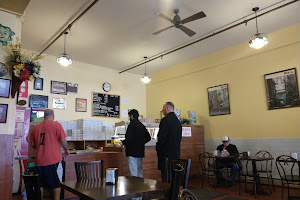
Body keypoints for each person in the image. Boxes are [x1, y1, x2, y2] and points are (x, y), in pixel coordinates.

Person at [29, 109, 69, 200]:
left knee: (40, 184)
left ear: (44, 116)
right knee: (56, 183)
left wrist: (39, 148)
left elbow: (31, 143)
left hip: (39, 161)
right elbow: (63, 141)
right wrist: (67, 150)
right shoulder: (57, 125)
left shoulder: (36, 127)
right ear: (53, 115)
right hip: (54, 159)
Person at [156, 102, 182, 181]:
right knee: (173, 174)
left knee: (166, 176)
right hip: (176, 153)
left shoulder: (165, 120)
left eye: (163, 108)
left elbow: (162, 137)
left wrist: (158, 147)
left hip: (166, 153)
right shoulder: (178, 121)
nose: (162, 110)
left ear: (167, 108)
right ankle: (174, 191)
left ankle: (166, 191)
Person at [122, 109, 151, 177]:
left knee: (133, 173)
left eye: (129, 116)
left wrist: (123, 142)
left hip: (132, 152)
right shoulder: (142, 126)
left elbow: (128, 139)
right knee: (139, 171)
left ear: (132, 116)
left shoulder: (131, 125)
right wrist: (141, 142)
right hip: (140, 151)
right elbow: (148, 137)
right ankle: (140, 186)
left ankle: (135, 187)